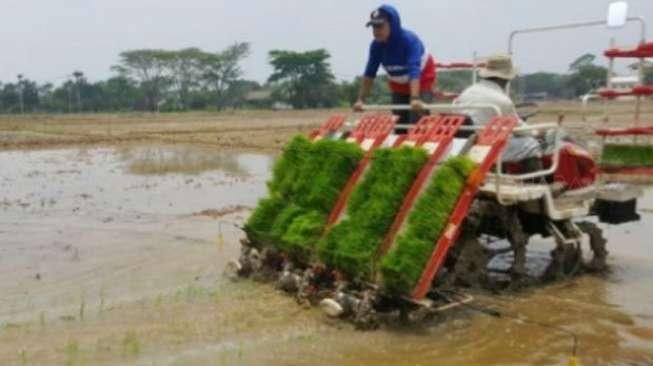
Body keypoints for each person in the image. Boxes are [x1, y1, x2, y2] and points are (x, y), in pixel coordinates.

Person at [354, 5, 437, 130]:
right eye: (374, 27)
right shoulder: (376, 46)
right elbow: (370, 73)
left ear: (392, 25)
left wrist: (415, 98)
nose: (376, 31)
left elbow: (414, 68)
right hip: (397, 82)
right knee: (399, 122)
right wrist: (361, 100)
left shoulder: (409, 40)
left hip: (421, 79)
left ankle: (420, 141)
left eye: (380, 26)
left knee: (418, 121)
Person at [454, 54, 542, 165]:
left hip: (465, 145)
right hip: (484, 148)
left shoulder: (467, 92)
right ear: (506, 78)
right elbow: (519, 129)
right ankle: (534, 180)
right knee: (531, 143)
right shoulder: (502, 100)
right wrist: (537, 133)